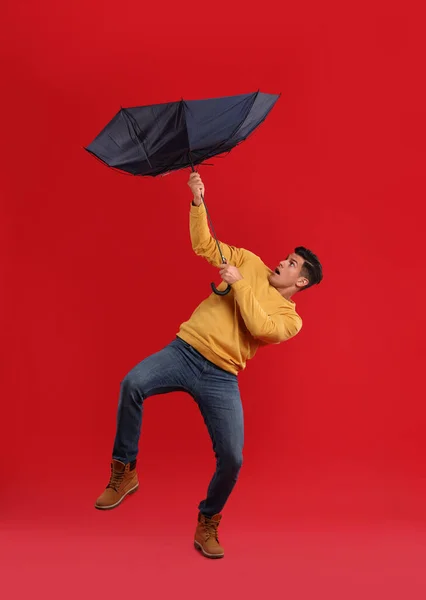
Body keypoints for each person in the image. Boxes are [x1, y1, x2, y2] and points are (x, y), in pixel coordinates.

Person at [94, 172, 323, 559]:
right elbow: (205, 246)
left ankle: (208, 522)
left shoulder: (291, 319)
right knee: (132, 383)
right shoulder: (249, 261)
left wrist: (238, 285)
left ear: (300, 282)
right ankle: (124, 470)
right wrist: (198, 201)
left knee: (233, 457)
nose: (282, 262)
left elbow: (260, 327)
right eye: (287, 257)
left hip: (222, 376)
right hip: (185, 349)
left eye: (291, 264)